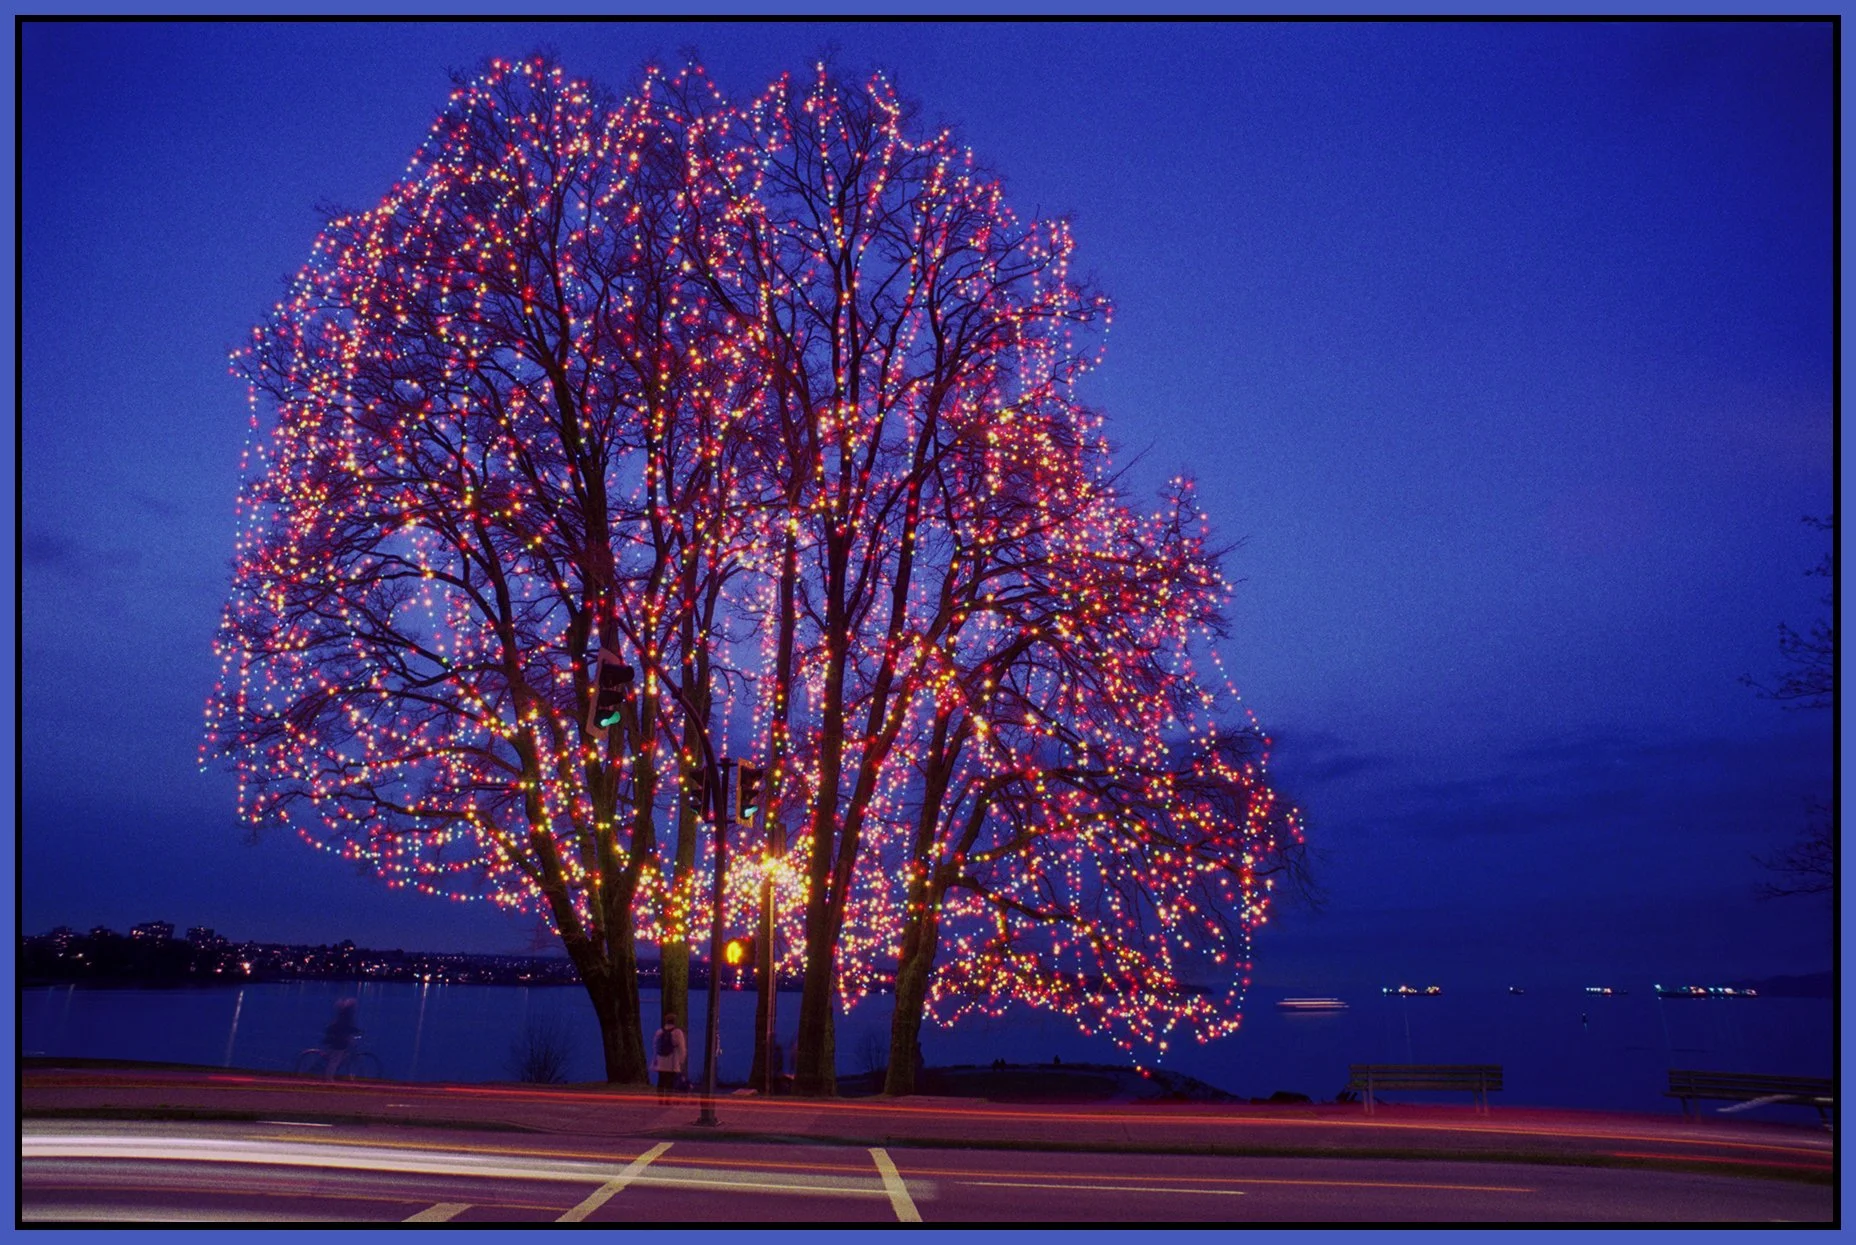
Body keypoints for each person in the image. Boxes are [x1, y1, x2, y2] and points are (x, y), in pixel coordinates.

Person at [653, 1013, 687, 1105]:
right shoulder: (677, 1033)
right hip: (672, 1062)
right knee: (670, 1082)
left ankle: (660, 1100)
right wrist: (681, 1060)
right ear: (674, 1021)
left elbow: (655, 1047)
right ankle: (668, 1100)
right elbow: (682, 1048)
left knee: (661, 1081)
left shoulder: (659, 1032)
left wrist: (655, 1061)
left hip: (661, 1061)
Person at [322, 998, 362, 1078]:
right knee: (335, 1060)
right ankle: (329, 1078)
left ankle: (329, 1075)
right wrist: (357, 1031)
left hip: (338, 1039)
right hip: (339, 1041)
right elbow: (347, 1026)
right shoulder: (346, 1016)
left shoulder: (342, 1015)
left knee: (337, 1058)